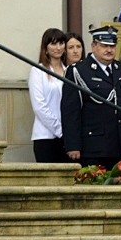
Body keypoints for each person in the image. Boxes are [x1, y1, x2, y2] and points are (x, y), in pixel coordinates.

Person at [61, 25, 121, 168]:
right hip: (94, 147)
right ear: (93, 46)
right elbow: (70, 111)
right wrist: (73, 145)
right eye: (104, 45)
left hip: (120, 145)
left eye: (112, 46)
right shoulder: (79, 71)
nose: (109, 50)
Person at [28, 28, 68, 162]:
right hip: (45, 136)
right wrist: (60, 130)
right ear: (45, 47)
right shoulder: (38, 71)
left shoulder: (69, 71)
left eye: (61, 43)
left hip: (68, 137)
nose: (58, 48)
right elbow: (39, 106)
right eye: (53, 44)